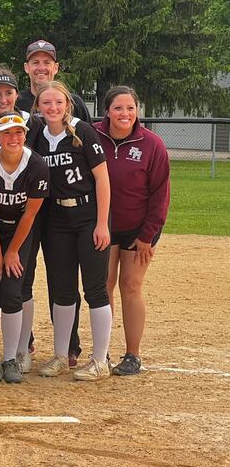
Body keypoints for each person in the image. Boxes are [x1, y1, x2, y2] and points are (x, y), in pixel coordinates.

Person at [16, 40, 91, 366]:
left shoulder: (72, 102)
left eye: (47, 61)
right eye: (35, 62)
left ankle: (69, 346)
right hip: (33, 205)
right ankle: (25, 343)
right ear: (27, 68)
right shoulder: (18, 101)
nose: (41, 67)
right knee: (25, 274)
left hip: (66, 207)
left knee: (64, 278)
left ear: (56, 67)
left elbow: (89, 147)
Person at [34, 81, 113, 381]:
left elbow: (103, 180)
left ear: (67, 104)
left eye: (58, 102)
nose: (52, 108)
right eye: (46, 103)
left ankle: (99, 360)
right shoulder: (38, 136)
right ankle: (59, 355)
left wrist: (102, 223)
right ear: (38, 107)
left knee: (94, 289)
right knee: (63, 290)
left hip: (87, 214)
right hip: (56, 218)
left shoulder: (83, 130)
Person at [93, 86, 170, 376]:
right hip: (104, 225)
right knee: (104, 286)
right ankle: (103, 351)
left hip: (139, 228)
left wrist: (147, 235)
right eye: (118, 108)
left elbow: (160, 194)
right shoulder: (93, 136)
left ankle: (133, 355)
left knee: (131, 285)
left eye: (130, 108)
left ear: (137, 111)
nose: (125, 114)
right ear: (107, 111)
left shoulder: (151, 144)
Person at [0, 113, 49, 383]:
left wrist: (11, 252)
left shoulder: (37, 165)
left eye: (18, 133)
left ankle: (11, 358)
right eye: (6, 133)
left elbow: (30, 214)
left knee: (13, 291)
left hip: (20, 232)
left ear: (25, 136)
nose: (13, 138)